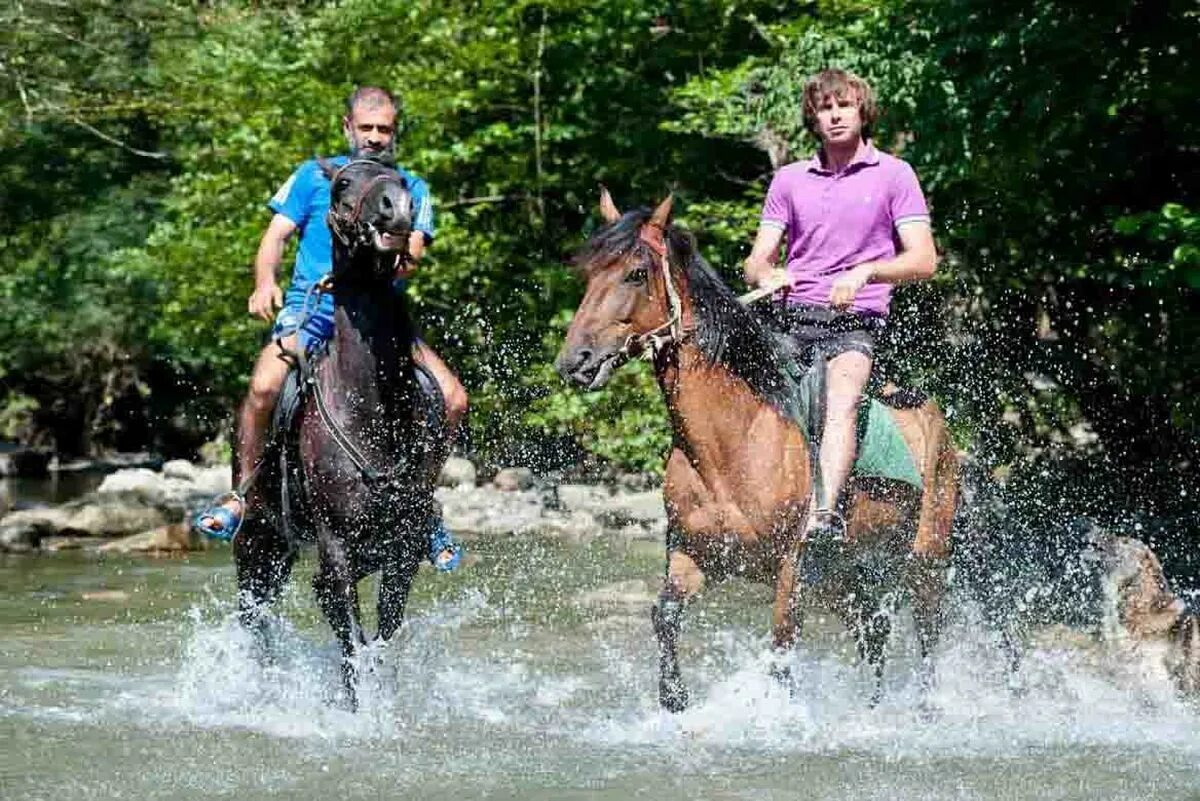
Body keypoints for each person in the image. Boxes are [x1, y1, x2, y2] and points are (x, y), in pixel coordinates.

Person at [196, 86, 468, 570]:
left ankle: (423, 507)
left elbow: (415, 252)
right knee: (263, 388)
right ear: (348, 128)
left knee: (453, 399)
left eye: (385, 129)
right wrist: (264, 282)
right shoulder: (313, 176)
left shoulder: (411, 187)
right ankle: (241, 495)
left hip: (383, 317)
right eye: (367, 128)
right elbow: (276, 235)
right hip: (314, 308)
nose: (376, 137)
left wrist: (395, 247)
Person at [742, 69, 938, 539]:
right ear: (813, 118)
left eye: (843, 106)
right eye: (824, 109)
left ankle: (822, 515)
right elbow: (755, 262)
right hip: (790, 317)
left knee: (842, 399)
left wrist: (867, 271)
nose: (834, 116)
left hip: (856, 323)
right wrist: (769, 275)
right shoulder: (789, 180)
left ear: (861, 111)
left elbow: (925, 260)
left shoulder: (894, 175)